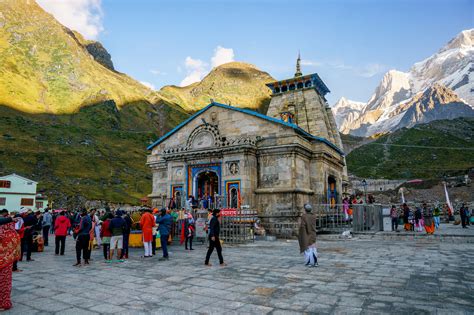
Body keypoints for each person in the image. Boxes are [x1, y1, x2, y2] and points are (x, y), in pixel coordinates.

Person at [0, 215, 21, 310]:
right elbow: (17, 249)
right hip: (7, 262)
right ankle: (3, 303)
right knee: (5, 282)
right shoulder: (13, 235)